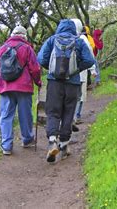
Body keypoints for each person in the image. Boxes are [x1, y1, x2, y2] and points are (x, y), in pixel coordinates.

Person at [37, 19, 95, 163]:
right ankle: (63, 145)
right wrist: (76, 69)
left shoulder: (52, 40)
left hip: (54, 83)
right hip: (73, 83)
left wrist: (52, 70)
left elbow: (41, 58)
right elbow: (90, 60)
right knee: (68, 112)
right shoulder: (79, 41)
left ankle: (52, 141)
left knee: (53, 112)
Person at [0, 26, 41, 156]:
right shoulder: (27, 48)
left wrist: (0, 81)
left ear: (12, 34)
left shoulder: (2, 49)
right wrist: (38, 82)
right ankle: (27, 139)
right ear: (24, 36)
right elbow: (35, 69)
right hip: (23, 87)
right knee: (25, 115)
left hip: (6, 87)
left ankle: (6, 146)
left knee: (6, 116)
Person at [71, 19, 97, 125]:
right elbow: (89, 56)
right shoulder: (82, 39)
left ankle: (68, 117)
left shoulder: (61, 38)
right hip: (80, 73)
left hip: (65, 75)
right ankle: (76, 116)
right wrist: (93, 69)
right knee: (79, 96)